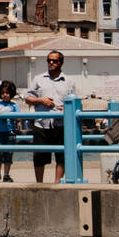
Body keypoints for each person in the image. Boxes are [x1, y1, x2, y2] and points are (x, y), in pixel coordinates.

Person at [23, 50, 78, 183]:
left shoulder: (69, 81)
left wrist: (66, 108)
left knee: (61, 156)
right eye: (49, 60)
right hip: (41, 123)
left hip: (61, 124)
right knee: (39, 156)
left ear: (61, 62)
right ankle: (39, 184)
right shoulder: (38, 79)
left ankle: (57, 183)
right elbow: (27, 98)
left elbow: (75, 101)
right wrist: (40, 100)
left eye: (54, 61)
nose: (51, 63)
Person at [0, 80, 20, 182]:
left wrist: (12, 117)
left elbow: (19, 118)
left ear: (11, 94)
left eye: (7, 93)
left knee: (8, 154)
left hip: (10, 131)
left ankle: (6, 174)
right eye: (3, 93)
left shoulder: (15, 106)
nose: (5, 95)